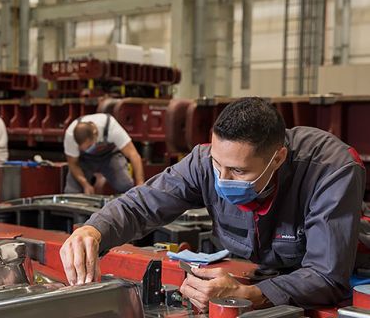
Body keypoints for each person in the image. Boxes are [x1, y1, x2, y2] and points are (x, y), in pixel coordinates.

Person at [59, 97, 367, 310]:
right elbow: (140, 205)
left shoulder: (332, 169)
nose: (222, 178)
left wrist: (250, 295)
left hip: (342, 279)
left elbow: (326, 275)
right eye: (218, 164)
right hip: (263, 272)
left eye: (238, 171)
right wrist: (94, 230)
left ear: (278, 158)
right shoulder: (205, 161)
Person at [63, 113, 144, 194]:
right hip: (84, 160)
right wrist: (85, 184)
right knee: (72, 191)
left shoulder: (111, 127)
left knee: (124, 185)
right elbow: (73, 164)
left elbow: (133, 155)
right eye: (83, 148)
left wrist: (140, 185)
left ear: (95, 134)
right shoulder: (70, 135)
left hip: (110, 157)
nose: (87, 149)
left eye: (89, 146)